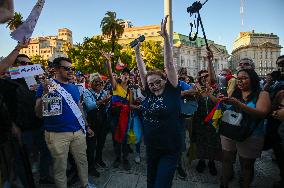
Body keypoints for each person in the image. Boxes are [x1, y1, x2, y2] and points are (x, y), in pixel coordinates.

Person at [134, 15, 182, 188]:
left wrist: (166, 38)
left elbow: (169, 65)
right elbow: (142, 72)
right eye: (150, 84)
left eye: (157, 82)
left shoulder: (172, 91)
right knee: (150, 182)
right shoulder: (150, 94)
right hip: (152, 148)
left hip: (170, 150)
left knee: (161, 185)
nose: (154, 86)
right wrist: (137, 52)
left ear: (165, 80)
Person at [35, 57, 95, 188]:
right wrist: (45, 93)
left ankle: (85, 184)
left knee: (83, 161)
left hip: (78, 132)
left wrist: (86, 125)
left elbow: (79, 108)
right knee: (60, 168)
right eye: (66, 68)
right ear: (56, 69)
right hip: (56, 134)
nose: (71, 71)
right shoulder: (46, 86)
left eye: (72, 68)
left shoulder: (74, 87)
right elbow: (38, 113)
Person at [220, 69, 271, 188]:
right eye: (238, 78)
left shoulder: (262, 94)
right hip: (230, 130)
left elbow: (262, 113)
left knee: (246, 164)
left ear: (253, 79)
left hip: (251, 135)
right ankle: (224, 183)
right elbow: (228, 107)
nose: (240, 81)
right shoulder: (235, 92)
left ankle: (245, 184)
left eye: (244, 78)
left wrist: (239, 104)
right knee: (227, 159)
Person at [101, 51, 133, 171]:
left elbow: (130, 105)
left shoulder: (130, 91)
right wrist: (108, 61)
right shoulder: (116, 86)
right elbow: (110, 74)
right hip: (115, 116)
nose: (125, 76)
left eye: (127, 75)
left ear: (129, 77)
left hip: (125, 116)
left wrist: (141, 107)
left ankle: (125, 158)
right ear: (120, 76)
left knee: (124, 137)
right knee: (115, 137)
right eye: (123, 74)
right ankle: (117, 158)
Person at [83, 74, 110, 171]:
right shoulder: (87, 92)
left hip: (103, 122)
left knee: (101, 143)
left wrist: (107, 103)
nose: (98, 83)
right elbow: (90, 106)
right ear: (91, 83)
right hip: (92, 123)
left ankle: (99, 159)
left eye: (100, 82)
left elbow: (107, 107)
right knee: (91, 146)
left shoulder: (104, 92)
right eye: (96, 81)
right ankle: (90, 166)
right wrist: (103, 101)